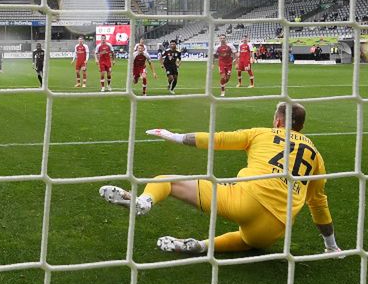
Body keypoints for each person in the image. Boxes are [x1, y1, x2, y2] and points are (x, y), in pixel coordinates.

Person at [99, 102, 340, 256]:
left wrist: (176, 136)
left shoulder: (262, 133)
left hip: (246, 198)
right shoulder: (315, 155)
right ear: (302, 126)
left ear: (277, 121)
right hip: (276, 226)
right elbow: (318, 202)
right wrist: (330, 245)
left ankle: (143, 201)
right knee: (248, 242)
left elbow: (219, 139)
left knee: (167, 180)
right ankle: (201, 246)